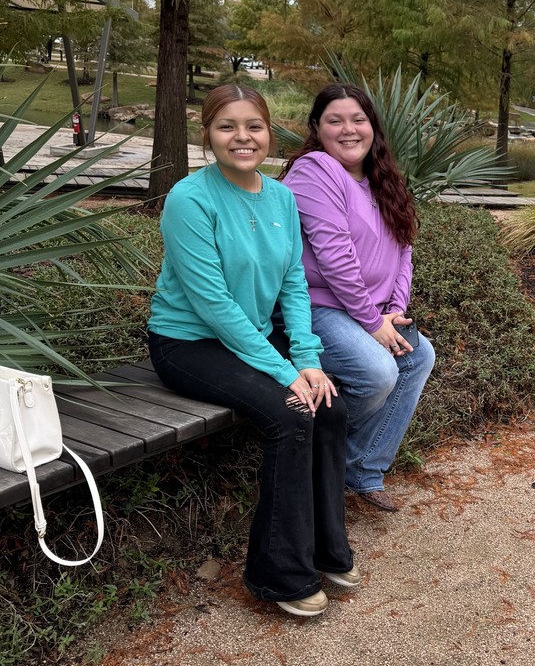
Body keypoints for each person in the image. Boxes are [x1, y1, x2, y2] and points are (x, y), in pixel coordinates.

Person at [148, 84, 360, 618]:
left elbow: (293, 284)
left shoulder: (281, 197)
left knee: (330, 407)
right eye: (227, 126)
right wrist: (285, 373)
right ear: (207, 135)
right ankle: (278, 574)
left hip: (253, 338)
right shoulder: (189, 200)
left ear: (269, 133)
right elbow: (213, 304)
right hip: (188, 343)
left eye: (254, 126)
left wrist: (306, 359)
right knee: (290, 414)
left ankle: (326, 549)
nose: (242, 137)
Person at [282, 83, 435, 513]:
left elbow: (404, 250)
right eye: (335, 121)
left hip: (368, 312)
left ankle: (361, 468)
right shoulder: (315, 171)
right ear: (317, 128)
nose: (348, 129)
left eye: (358, 120)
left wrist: (394, 309)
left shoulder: (383, 180)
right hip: (318, 308)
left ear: (373, 127)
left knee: (419, 356)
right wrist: (372, 322)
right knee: (378, 371)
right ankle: (325, 458)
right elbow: (334, 257)